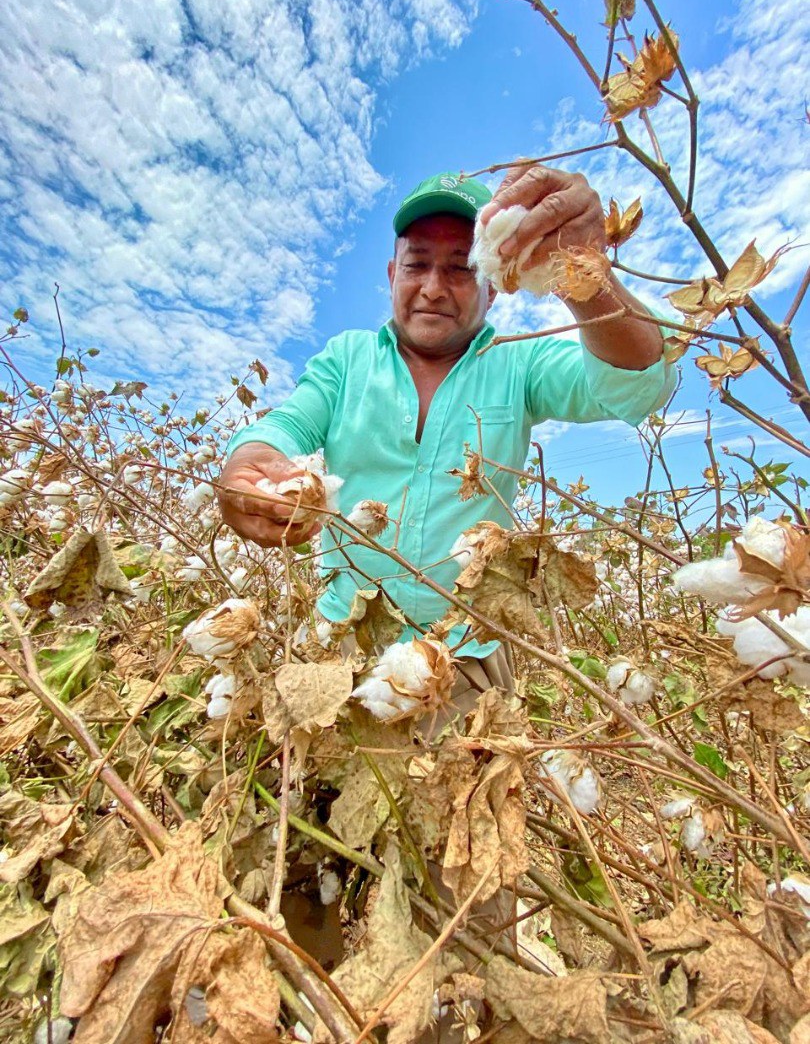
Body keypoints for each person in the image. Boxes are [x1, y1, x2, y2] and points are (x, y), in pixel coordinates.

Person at [217, 163, 676, 702]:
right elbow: (289, 422)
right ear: (392, 275)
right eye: (417, 266)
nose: (433, 289)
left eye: (460, 269)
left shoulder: (521, 363)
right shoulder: (347, 359)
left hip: (466, 664)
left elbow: (639, 382)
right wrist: (249, 460)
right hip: (341, 647)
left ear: (496, 284)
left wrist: (583, 271)